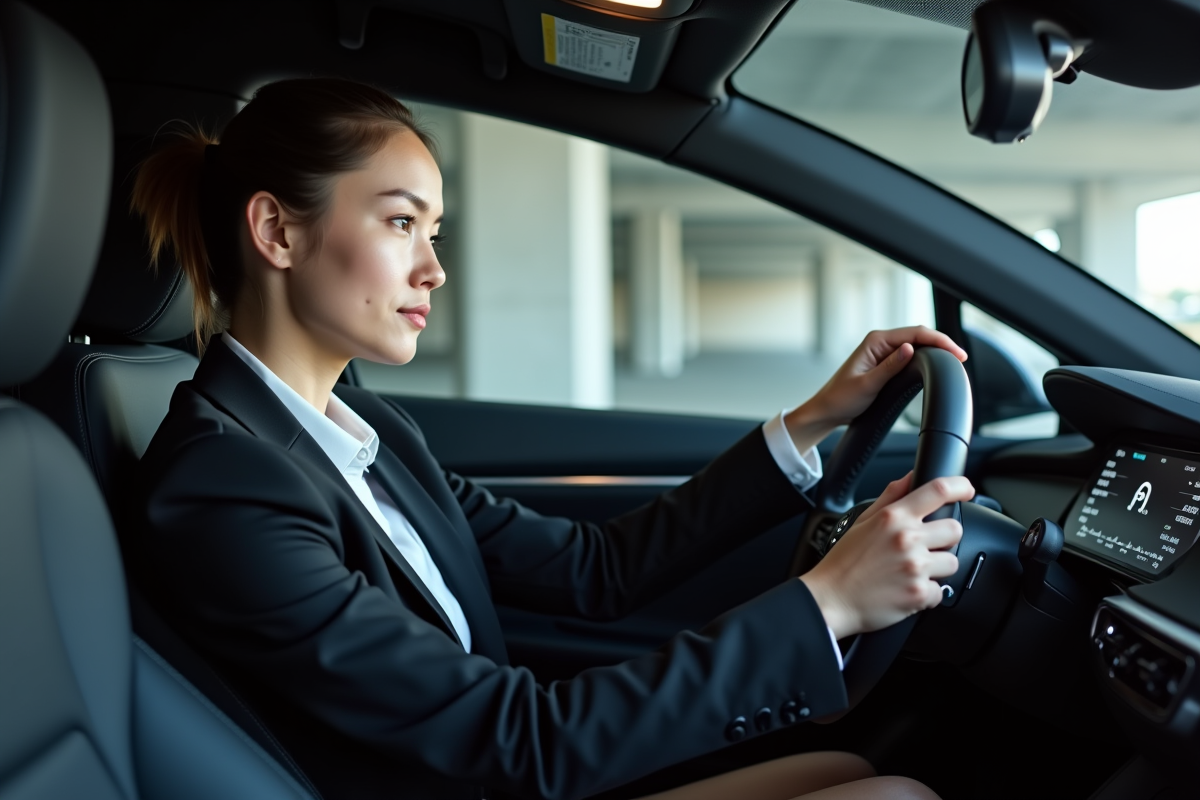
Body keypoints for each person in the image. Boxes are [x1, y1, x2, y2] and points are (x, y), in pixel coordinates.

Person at [130, 78, 973, 800]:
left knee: (850, 767)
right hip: (510, 771)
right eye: (400, 224)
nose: (434, 269)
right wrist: (830, 602)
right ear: (277, 232)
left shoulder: (362, 427)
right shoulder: (225, 487)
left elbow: (593, 570)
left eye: (435, 232)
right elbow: (524, 736)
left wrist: (819, 415)